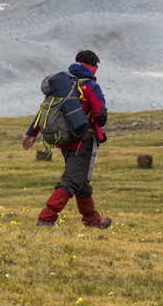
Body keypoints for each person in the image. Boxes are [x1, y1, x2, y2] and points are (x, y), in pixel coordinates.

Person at [22, 50, 111, 229]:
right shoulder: (91, 86)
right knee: (71, 181)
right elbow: (100, 114)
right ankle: (46, 219)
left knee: (81, 181)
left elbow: (45, 109)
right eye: (96, 67)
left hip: (64, 140)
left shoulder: (64, 84)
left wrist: (32, 132)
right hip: (83, 141)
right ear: (93, 67)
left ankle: (92, 221)